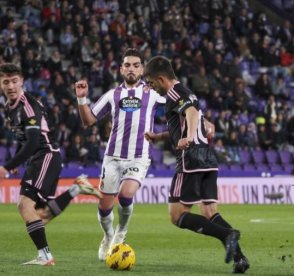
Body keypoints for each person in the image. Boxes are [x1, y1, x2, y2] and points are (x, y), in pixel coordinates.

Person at [143, 56, 249, 274]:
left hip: (190, 158)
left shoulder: (174, 93)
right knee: (210, 211)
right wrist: (159, 136)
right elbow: (197, 120)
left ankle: (227, 235)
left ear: (162, 79)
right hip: (207, 158)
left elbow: (191, 115)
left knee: (177, 215)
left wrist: (189, 138)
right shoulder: (188, 92)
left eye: (152, 83)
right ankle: (240, 258)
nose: (153, 88)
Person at [0, 63, 102, 266]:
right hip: (41, 157)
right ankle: (76, 189)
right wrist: (17, 163)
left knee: (24, 206)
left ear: (21, 81)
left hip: (44, 156)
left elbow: (32, 142)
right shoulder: (9, 107)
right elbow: (26, 142)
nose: (10, 86)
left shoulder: (27, 106)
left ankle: (46, 257)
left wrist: (7, 165)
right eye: (5, 82)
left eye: (14, 81)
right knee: (40, 215)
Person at [74, 48, 166, 261]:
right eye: (127, 65)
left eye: (136, 65)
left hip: (139, 156)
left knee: (126, 195)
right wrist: (81, 99)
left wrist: (196, 115)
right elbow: (88, 121)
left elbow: (178, 104)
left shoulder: (152, 93)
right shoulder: (112, 95)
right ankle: (107, 236)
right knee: (104, 207)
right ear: (121, 69)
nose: (131, 69)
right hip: (113, 158)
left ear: (142, 69)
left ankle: (121, 233)